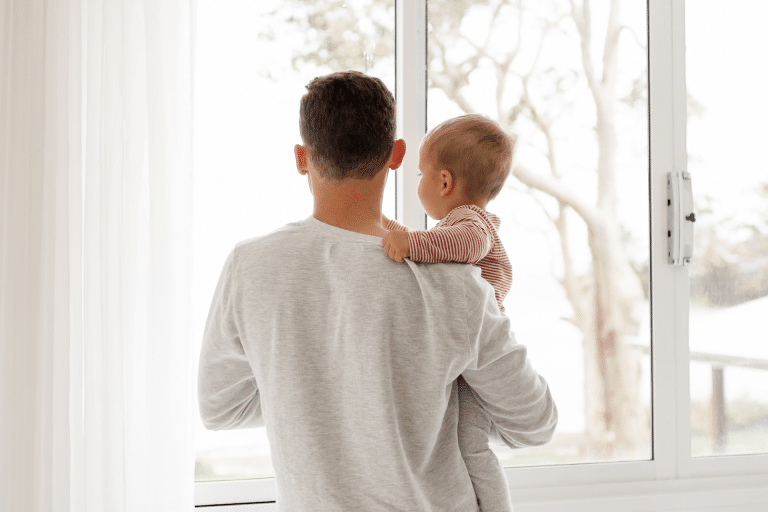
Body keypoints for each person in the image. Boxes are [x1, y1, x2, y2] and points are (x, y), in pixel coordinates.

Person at [197, 70, 558, 512]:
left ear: (301, 157)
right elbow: (535, 424)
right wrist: (417, 401)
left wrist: (314, 395)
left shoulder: (249, 266)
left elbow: (221, 409)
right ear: (397, 154)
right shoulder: (454, 281)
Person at [381, 114, 519, 511]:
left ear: (444, 182)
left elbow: (463, 245)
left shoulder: (471, 223)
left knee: (473, 448)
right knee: (459, 443)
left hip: (479, 354)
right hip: (464, 353)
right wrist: (379, 225)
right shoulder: (457, 224)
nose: (418, 181)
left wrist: (411, 243)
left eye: (421, 173)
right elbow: (431, 242)